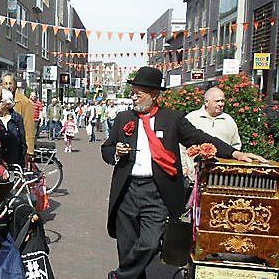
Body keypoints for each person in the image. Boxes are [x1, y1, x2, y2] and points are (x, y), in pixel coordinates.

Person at [101, 66, 265, 279]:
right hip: (127, 191)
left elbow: (200, 137)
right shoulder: (124, 118)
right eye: (133, 93)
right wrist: (115, 151)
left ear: (153, 94)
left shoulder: (172, 119)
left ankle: (120, 276)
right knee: (126, 246)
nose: (133, 97)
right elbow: (106, 148)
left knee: (150, 244)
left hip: (157, 192)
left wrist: (235, 153)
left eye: (137, 93)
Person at [181, 87, 242, 181]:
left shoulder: (229, 120)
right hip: (195, 175)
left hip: (221, 176)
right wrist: (184, 167)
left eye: (222, 101)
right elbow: (181, 146)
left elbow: (236, 145)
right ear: (206, 102)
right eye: (217, 101)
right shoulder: (192, 118)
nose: (221, 104)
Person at [1, 74, 35, 161]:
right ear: (1, 85)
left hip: (18, 147)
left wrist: (30, 150)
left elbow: (29, 127)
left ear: (15, 85)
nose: (8, 86)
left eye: (10, 83)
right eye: (5, 83)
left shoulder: (24, 102)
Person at [0, 89, 26, 167]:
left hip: (15, 161)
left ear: (7, 104)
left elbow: (22, 140)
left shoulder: (17, 118)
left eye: (0, 102)